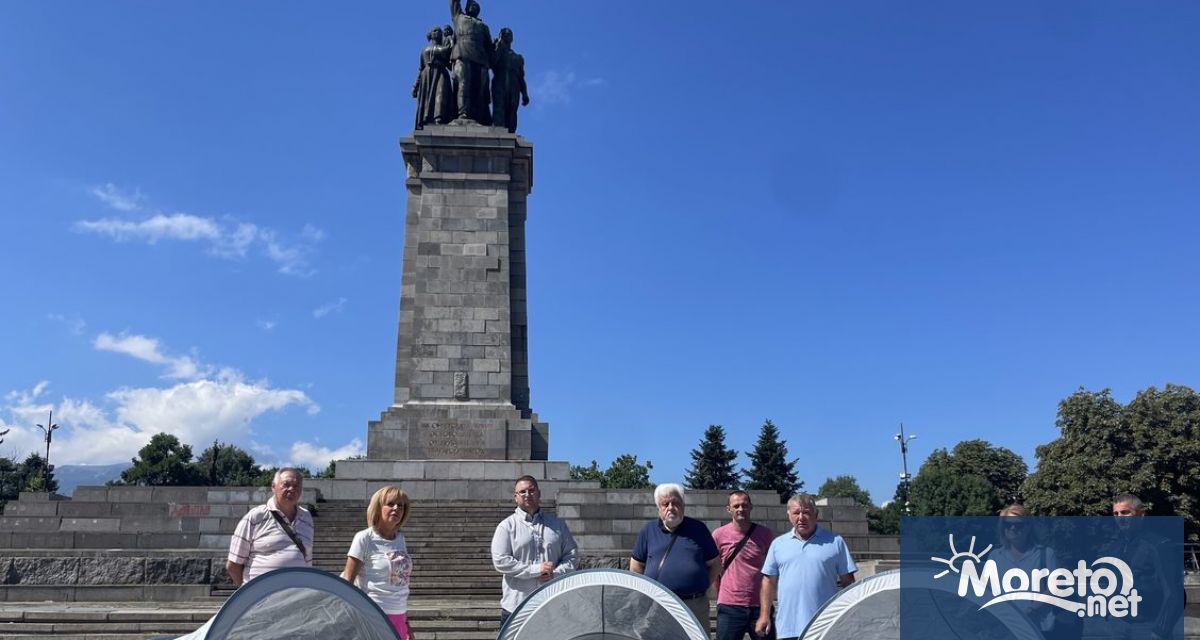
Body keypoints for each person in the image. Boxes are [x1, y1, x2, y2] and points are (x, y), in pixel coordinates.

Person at [757, 494, 856, 640]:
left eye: (807, 512)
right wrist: (764, 615)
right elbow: (768, 581)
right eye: (796, 513)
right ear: (789, 515)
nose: (801, 517)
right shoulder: (778, 544)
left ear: (815, 515)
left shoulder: (835, 542)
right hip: (788, 627)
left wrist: (851, 614)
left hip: (825, 626)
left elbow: (848, 582)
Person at [491, 475, 578, 625]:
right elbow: (501, 561)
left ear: (539, 493)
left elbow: (572, 556)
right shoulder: (506, 526)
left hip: (551, 603)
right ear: (515, 497)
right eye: (522, 492)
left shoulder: (558, 525)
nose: (527, 495)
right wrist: (536, 570)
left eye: (531, 490)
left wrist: (555, 574)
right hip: (517, 606)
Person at [630, 483, 720, 626]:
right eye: (665, 504)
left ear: (683, 505)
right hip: (657, 605)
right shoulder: (648, 530)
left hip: (693, 605)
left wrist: (700, 586)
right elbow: (636, 567)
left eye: (676, 502)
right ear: (659, 508)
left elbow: (715, 565)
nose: (671, 507)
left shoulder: (698, 529)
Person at [1101, 493, 1182, 640]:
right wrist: (1109, 613)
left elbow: (1174, 593)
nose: (1120, 517)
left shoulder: (1160, 545)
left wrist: (1160, 631)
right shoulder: (1115, 547)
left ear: (1141, 514)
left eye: (1125, 512)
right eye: (1116, 513)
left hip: (1149, 627)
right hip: (1119, 625)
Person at [341, 485, 415, 639]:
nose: (396, 508)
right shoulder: (364, 538)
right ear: (378, 507)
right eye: (391, 504)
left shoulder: (401, 539)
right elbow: (347, 581)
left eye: (400, 506)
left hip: (399, 616)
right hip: (373, 615)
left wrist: (407, 625)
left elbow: (400, 583)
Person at [226, 468, 313, 587]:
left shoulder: (307, 518)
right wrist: (247, 593)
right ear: (273, 487)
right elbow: (233, 565)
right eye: (286, 485)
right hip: (261, 598)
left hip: (295, 597)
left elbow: (307, 560)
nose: (292, 489)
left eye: (296, 486)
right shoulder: (255, 517)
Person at [713, 490, 777, 640]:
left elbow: (772, 571)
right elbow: (714, 570)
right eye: (736, 506)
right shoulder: (718, 535)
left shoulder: (765, 534)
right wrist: (721, 594)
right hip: (730, 606)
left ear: (751, 507)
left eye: (744, 505)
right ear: (729, 509)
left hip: (759, 606)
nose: (741, 509)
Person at [991, 504, 1060, 636]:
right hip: (1005, 629)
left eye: (1019, 525)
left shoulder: (1046, 554)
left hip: (1038, 628)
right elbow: (988, 590)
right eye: (1008, 524)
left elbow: (1054, 588)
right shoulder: (995, 557)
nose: (1012, 528)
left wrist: (1032, 610)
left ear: (1028, 526)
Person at [449, 0, 494, 124]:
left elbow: (489, 46)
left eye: (476, 6)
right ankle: (463, 113)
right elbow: (454, 2)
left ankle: (477, 116)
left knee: (479, 89)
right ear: (467, 7)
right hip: (462, 54)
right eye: (472, 5)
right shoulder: (458, 17)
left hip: (480, 58)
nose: (474, 7)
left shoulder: (483, 26)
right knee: (463, 84)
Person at [412, 26, 455, 129]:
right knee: (427, 98)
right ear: (430, 35)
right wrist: (415, 86)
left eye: (440, 31)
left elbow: (449, 50)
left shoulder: (442, 48)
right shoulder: (424, 50)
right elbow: (420, 68)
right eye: (435, 30)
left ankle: (439, 118)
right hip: (426, 76)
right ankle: (426, 119)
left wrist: (450, 38)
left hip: (440, 73)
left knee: (440, 94)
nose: (438, 32)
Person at [490, 27, 529, 133]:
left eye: (509, 34)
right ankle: (498, 131)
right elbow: (491, 63)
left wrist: (524, 93)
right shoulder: (497, 51)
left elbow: (521, 77)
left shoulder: (518, 58)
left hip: (514, 85)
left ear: (512, 38)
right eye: (504, 34)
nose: (506, 35)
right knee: (499, 107)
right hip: (499, 81)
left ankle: (511, 133)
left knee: (512, 111)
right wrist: (497, 46)